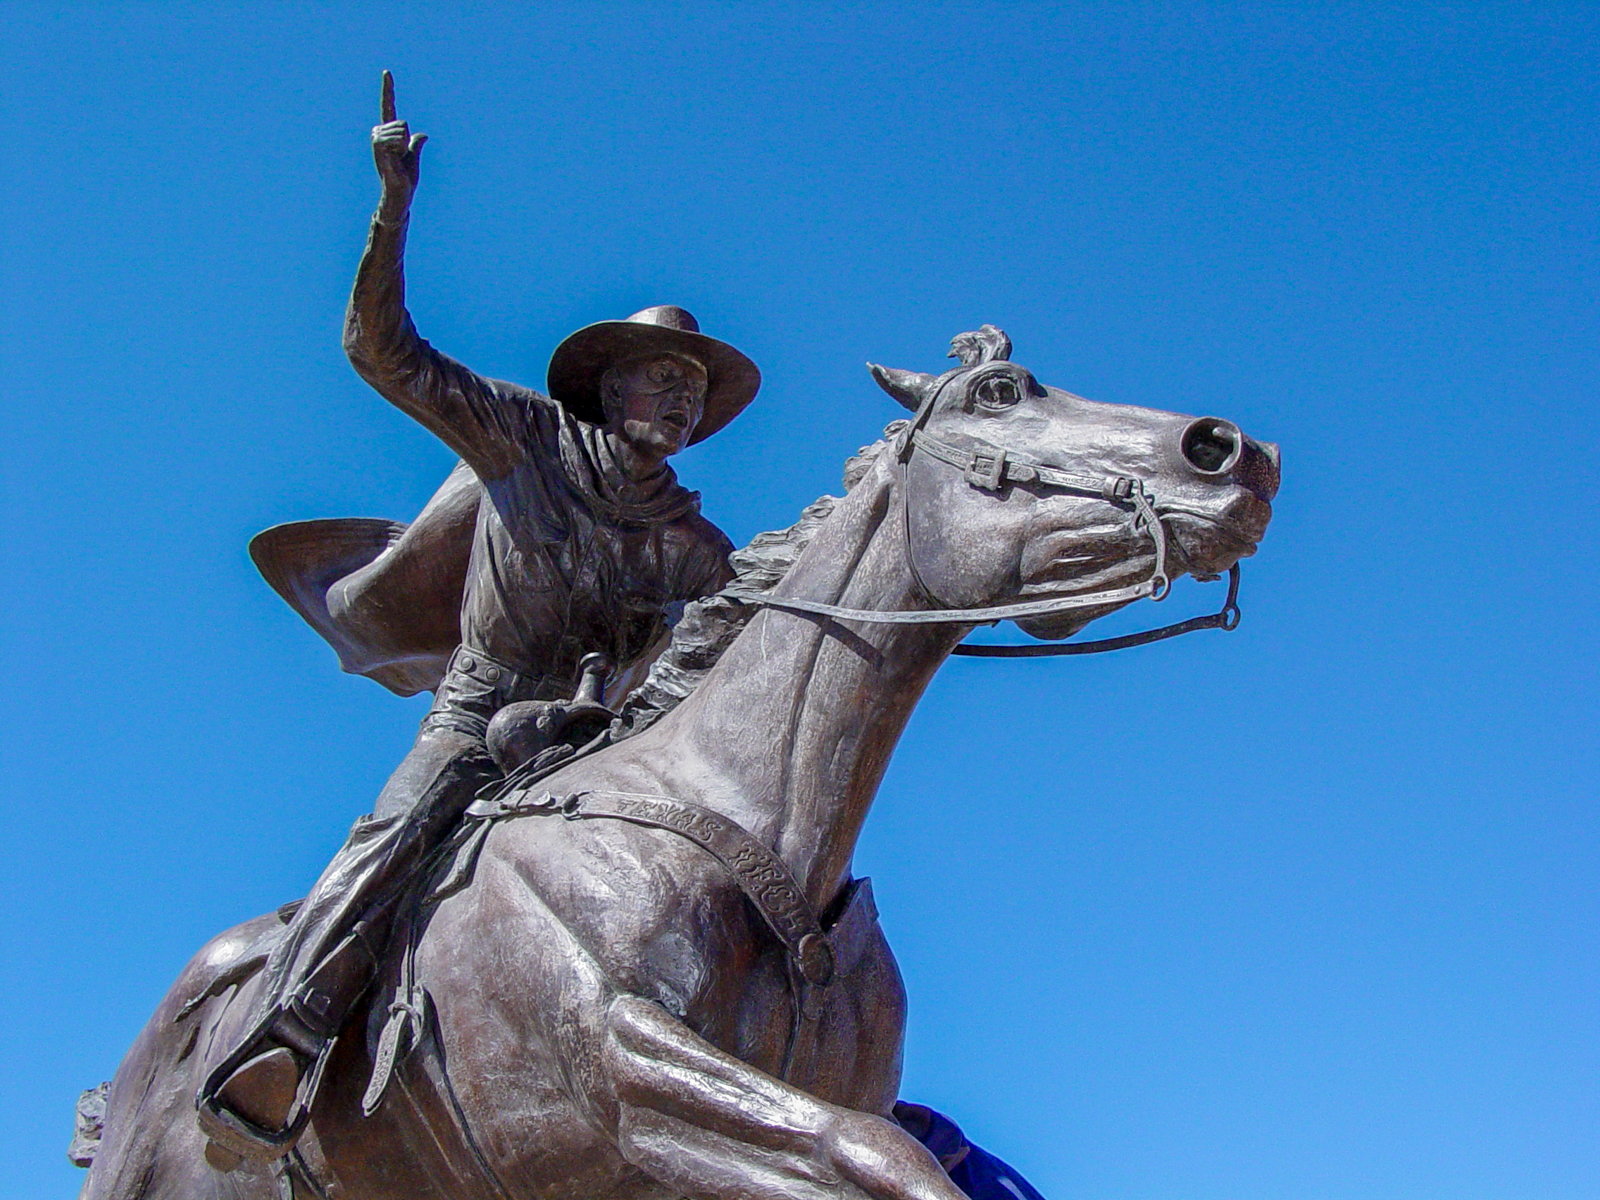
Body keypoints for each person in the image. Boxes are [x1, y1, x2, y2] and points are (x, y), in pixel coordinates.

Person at [197, 72, 759, 1168]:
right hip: (480, 722)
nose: (681, 399)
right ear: (609, 387)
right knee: (394, 836)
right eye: (661, 377)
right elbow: (383, 352)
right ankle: (280, 1034)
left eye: (694, 389)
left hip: (601, 753)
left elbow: (759, 648)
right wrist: (392, 207)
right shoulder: (523, 438)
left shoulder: (699, 548)